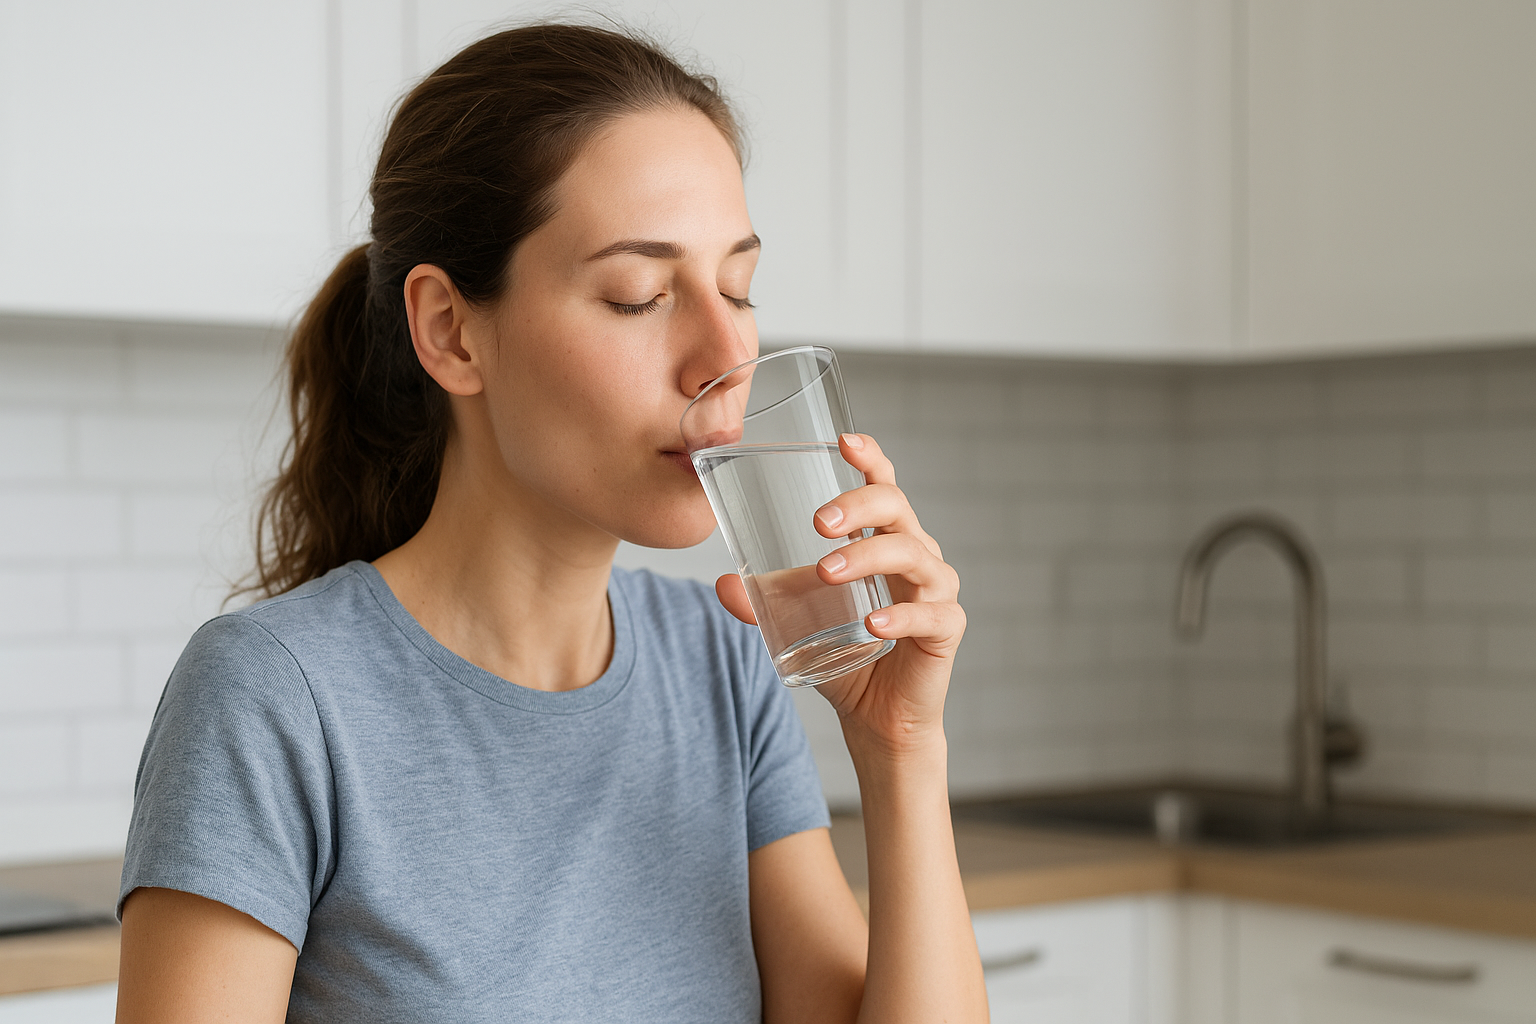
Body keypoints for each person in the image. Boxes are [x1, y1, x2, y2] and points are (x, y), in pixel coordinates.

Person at [114, 22, 985, 1024]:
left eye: (739, 287)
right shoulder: (273, 695)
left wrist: (902, 749)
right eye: (638, 295)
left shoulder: (720, 663)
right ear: (450, 330)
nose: (722, 356)